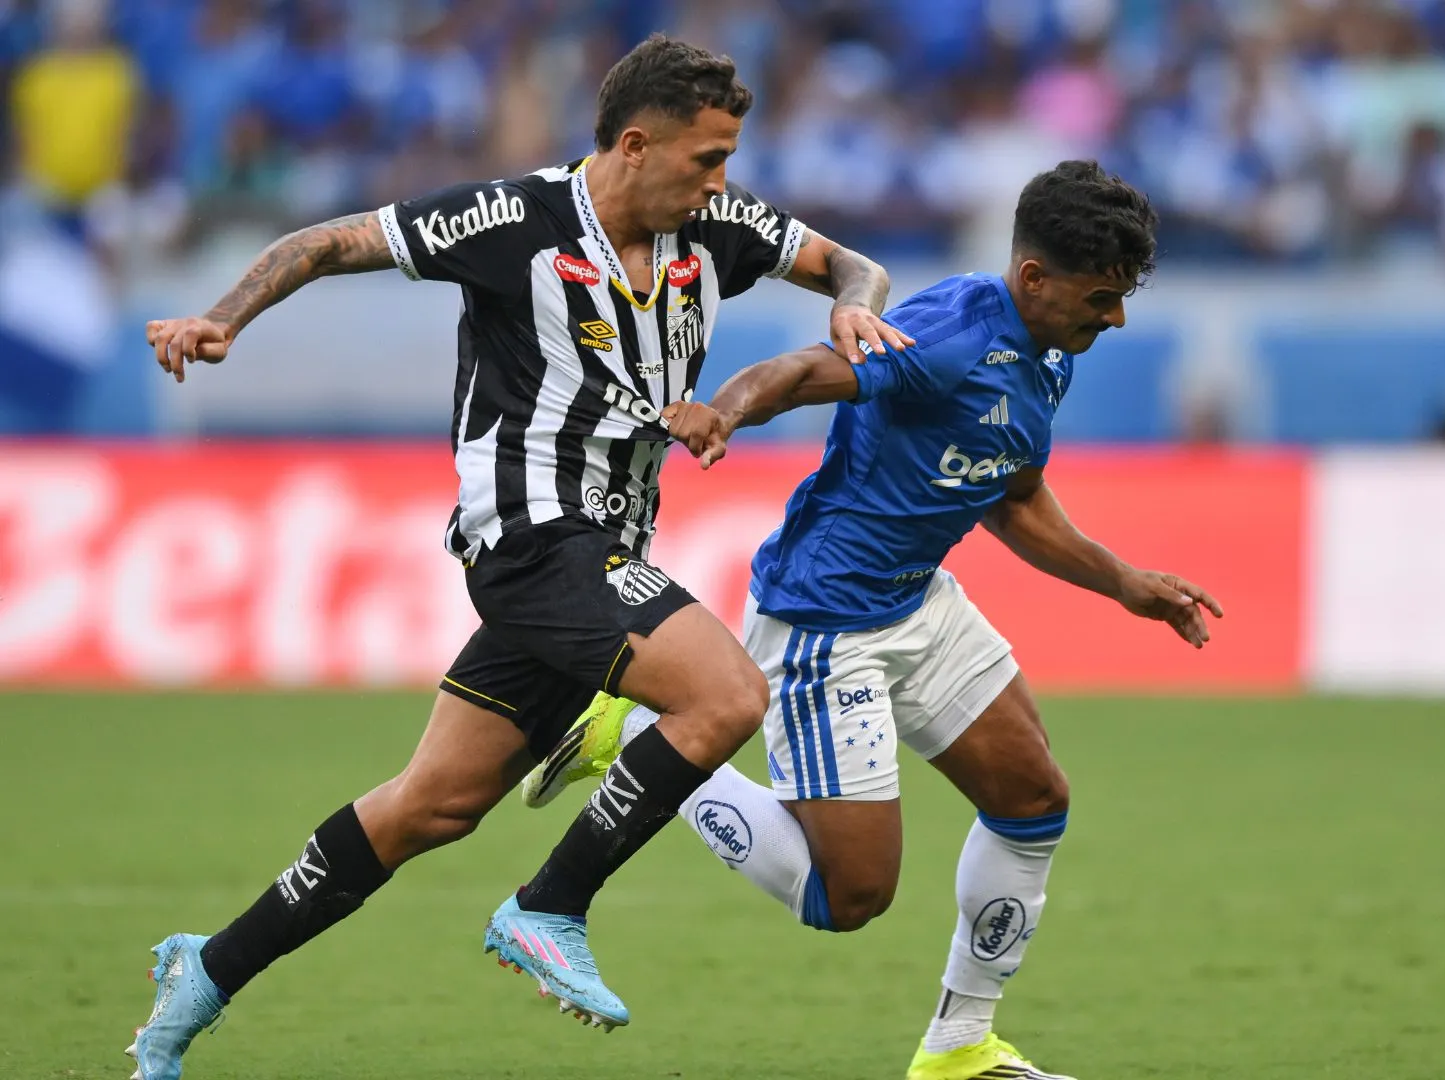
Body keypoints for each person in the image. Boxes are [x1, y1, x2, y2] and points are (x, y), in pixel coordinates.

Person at [128, 34, 910, 1080]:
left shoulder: (712, 227)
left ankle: (205, 974)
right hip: (531, 536)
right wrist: (221, 320)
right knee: (724, 697)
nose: (723, 182)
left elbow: (852, 265)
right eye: (706, 159)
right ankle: (551, 906)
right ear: (635, 146)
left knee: (430, 806)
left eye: (729, 159)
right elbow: (324, 243)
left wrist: (855, 304)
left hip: (605, 543)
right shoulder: (514, 223)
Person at [519, 160, 1223, 1080]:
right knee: (846, 896)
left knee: (1032, 801)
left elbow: (1010, 497)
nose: (1116, 317)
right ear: (1034, 279)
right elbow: (806, 369)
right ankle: (649, 738)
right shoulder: (950, 337)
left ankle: (960, 1048)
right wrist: (724, 411)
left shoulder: (1050, 349)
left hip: (919, 598)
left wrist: (1121, 581)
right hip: (826, 623)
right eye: (1104, 297)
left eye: (1123, 297)